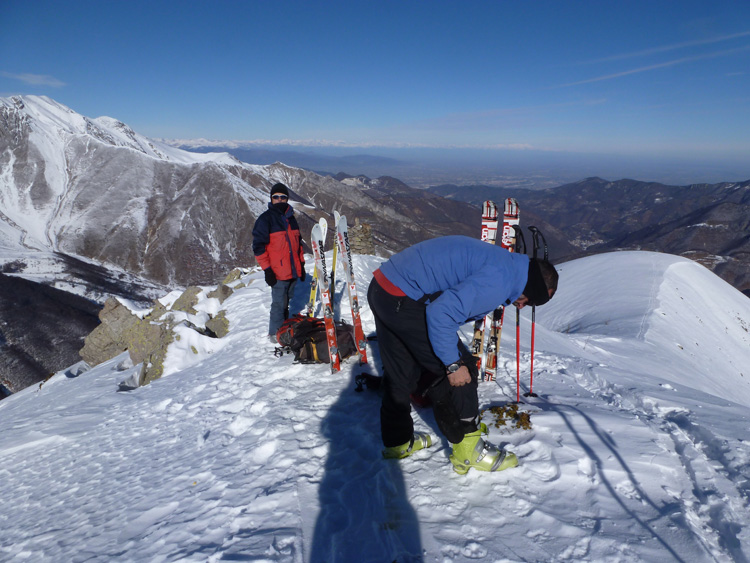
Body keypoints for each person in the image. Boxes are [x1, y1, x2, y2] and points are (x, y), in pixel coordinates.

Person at [367, 235, 558, 474]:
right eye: (529, 301)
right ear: (532, 287)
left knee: (401, 370)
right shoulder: (500, 280)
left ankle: (398, 442)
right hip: (403, 299)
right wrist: (453, 366)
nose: (521, 306)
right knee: (462, 369)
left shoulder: (506, 264)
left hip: (383, 288)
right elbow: (440, 314)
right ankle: (470, 450)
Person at [252, 183, 306, 341]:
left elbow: (298, 245)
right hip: (277, 272)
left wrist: (301, 265)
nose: (280, 200)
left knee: (286, 301)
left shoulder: (291, 219)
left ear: (287, 199)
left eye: (283, 197)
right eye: (276, 197)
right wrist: (267, 270)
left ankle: (284, 330)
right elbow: (258, 248)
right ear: (271, 199)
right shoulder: (265, 220)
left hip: (292, 271)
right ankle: (275, 335)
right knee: (278, 305)